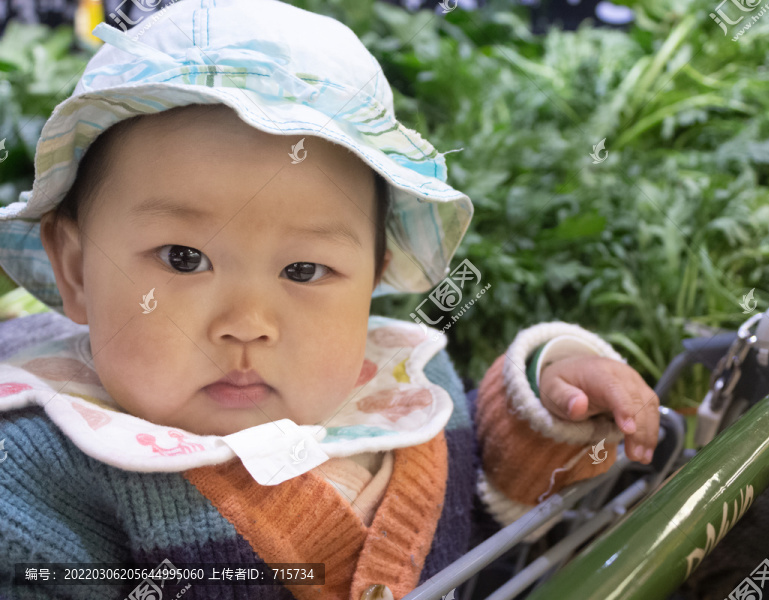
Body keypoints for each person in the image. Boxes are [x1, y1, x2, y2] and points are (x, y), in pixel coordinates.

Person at [0, 1, 660, 598]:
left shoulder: (407, 394)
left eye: (305, 269)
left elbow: (492, 505)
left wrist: (549, 402)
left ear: (372, 275)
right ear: (79, 269)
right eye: (183, 259)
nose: (247, 325)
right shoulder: (38, 475)